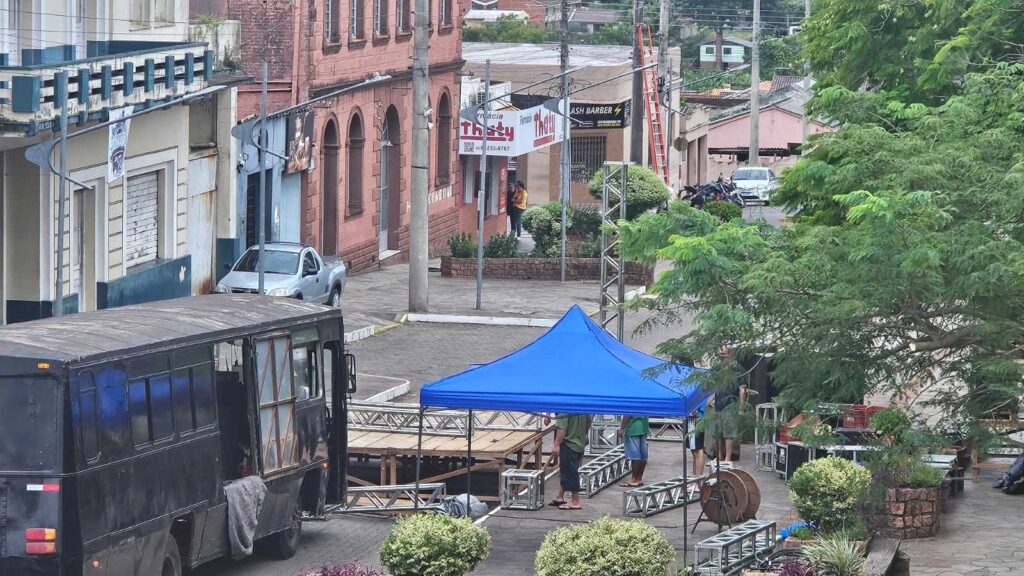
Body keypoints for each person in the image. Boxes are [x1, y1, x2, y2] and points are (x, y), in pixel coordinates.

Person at [550, 413, 591, 510]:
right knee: (567, 471)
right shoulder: (582, 408)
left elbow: (562, 429)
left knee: (570, 472)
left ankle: (575, 501)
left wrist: (556, 445)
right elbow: (589, 422)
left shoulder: (563, 410)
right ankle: (560, 496)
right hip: (579, 442)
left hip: (569, 444)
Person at [619, 415, 650, 487]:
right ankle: (639, 478)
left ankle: (633, 479)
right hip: (644, 427)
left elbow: (627, 415)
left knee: (635, 455)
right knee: (643, 455)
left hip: (633, 428)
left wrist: (622, 429)